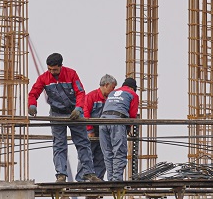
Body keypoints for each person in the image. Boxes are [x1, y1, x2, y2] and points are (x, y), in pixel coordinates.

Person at [28, 52, 92, 182]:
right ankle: (61, 174)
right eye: (50, 69)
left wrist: (79, 108)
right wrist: (32, 105)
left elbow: (80, 92)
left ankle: (88, 173)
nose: (52, 72)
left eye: (55, 69)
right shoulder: (44, 78)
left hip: (74, 113)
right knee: (59, 144)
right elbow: (33, 93)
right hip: (57, 113)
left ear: (61, 66)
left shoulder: (71, 74)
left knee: (83, 143)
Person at [99, 78, 139, 181]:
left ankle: (111, 179)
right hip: (117, 122)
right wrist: (128, 128)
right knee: (119, 152)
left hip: (103, 122)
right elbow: (133, 115)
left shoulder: (112, 92)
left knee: (107, 153)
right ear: (132, 88)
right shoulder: (133, 94)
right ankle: (116, 180)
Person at [82, 74, 117, 182]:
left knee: (102, 157)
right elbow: (85, 112)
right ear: (106, 85)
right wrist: (90, 130)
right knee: (88, 155)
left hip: (104, 133)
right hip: (93, 131)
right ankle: (83, 180)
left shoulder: (110, 99)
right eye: (113, 87)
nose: (113, 90)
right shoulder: (92, 96)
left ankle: (97, 181)